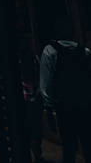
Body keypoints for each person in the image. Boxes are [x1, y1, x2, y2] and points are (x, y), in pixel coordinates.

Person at [40, 15, 91, 162]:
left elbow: (45, 85)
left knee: (69, 147)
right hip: (84, 105)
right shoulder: (84, 51)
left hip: (64, 106)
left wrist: (48, 109)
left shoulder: (50, 51)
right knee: (87, 144)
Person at [18, 37, 43, 163]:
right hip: (35, 97)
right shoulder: (35, 59)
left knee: (27, 128)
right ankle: (37, 153)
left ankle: (32, 153)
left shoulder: (17, 62)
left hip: (24, 98)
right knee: (36, 128)